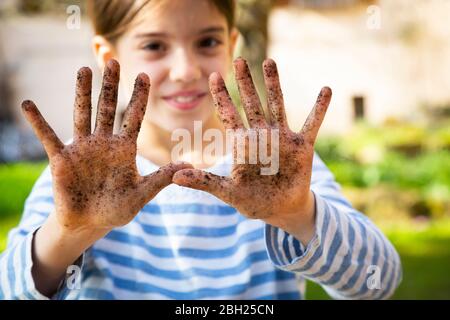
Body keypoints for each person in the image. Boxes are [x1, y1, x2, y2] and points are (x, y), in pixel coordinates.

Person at [0, 0, 401, 300]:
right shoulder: (79, 176)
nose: (186, 69)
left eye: (207, 42)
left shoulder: (276, 165)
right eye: (155, 45)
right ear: (109, 58)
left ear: (231, 45)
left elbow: (378, 281)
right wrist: (69, 234)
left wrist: (297, 213)